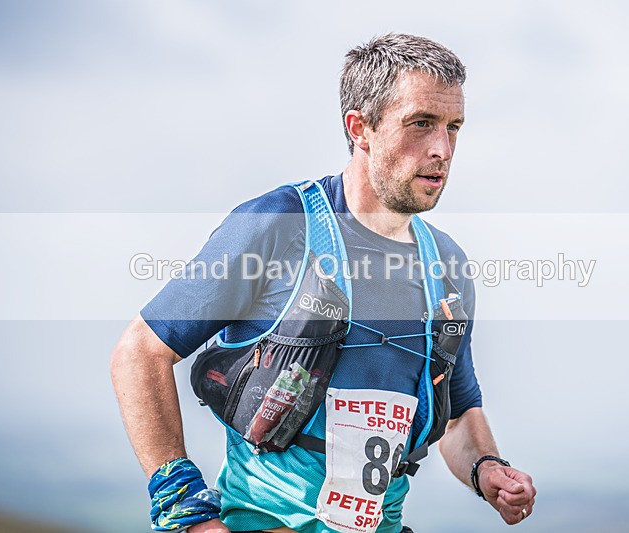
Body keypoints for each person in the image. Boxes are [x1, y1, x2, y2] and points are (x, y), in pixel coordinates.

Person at [111, 33, 536, 533]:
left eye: (453, 127)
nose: (442, 149)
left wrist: (488, 469)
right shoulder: (280, 223)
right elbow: (140, 352)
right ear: (361, 128)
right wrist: (184, 512)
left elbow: (458, 417)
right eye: (420, 123)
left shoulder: (448, 267)